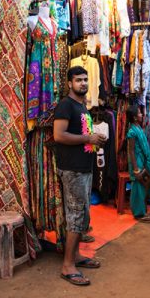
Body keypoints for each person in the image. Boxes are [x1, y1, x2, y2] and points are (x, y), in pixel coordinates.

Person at [53, 66, 107, 286]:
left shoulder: (81, 106)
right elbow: (59, 135)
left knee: (82, 215)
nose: (83, 83)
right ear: (69, 83)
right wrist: (88, 139)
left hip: (83, 167)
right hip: (72, 169)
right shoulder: (66, 105)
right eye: (78, 80)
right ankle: (67, 266)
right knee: (75, 216)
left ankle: (75, 256)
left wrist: (94, 139)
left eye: (85, 80)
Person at [125, 106, 150, 223]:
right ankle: (139, 214)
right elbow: (131, 150)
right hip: (137, 161)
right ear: (134, 117)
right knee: (138, 187)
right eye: (139, 113)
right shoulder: (132, 131)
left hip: (144, 159)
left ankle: (141, 206)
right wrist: (136, 169)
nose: (141, 114)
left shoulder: (138, 127)